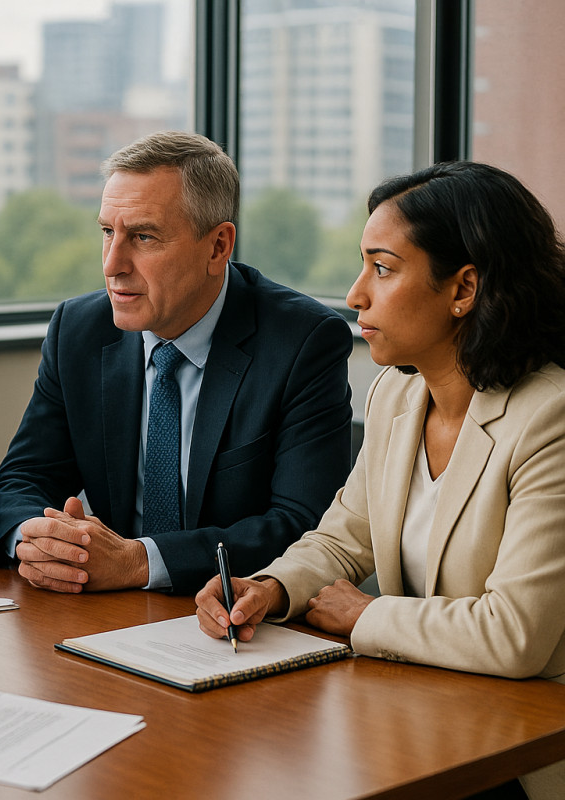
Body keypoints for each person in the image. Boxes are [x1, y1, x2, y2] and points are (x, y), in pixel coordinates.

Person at [196, 161, 565, 799]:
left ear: (464, 288)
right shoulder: (395, 396)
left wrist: (366, 614)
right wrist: (271, 589)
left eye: (383, 269)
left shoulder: (549, 418)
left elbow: (515, 636)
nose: (355, 294)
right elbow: (342, 540)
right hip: (418, 718)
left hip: (517, 752)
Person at [0, 130, 353, 595]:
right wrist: (38, 541)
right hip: (108, 611)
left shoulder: (303, 341)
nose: (112, 264)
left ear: (218, 246)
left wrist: (140, 561)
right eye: (107, 232)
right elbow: (22, 479)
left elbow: (303, 526)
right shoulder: (78, 330)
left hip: (235, 613)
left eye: (143, 237)